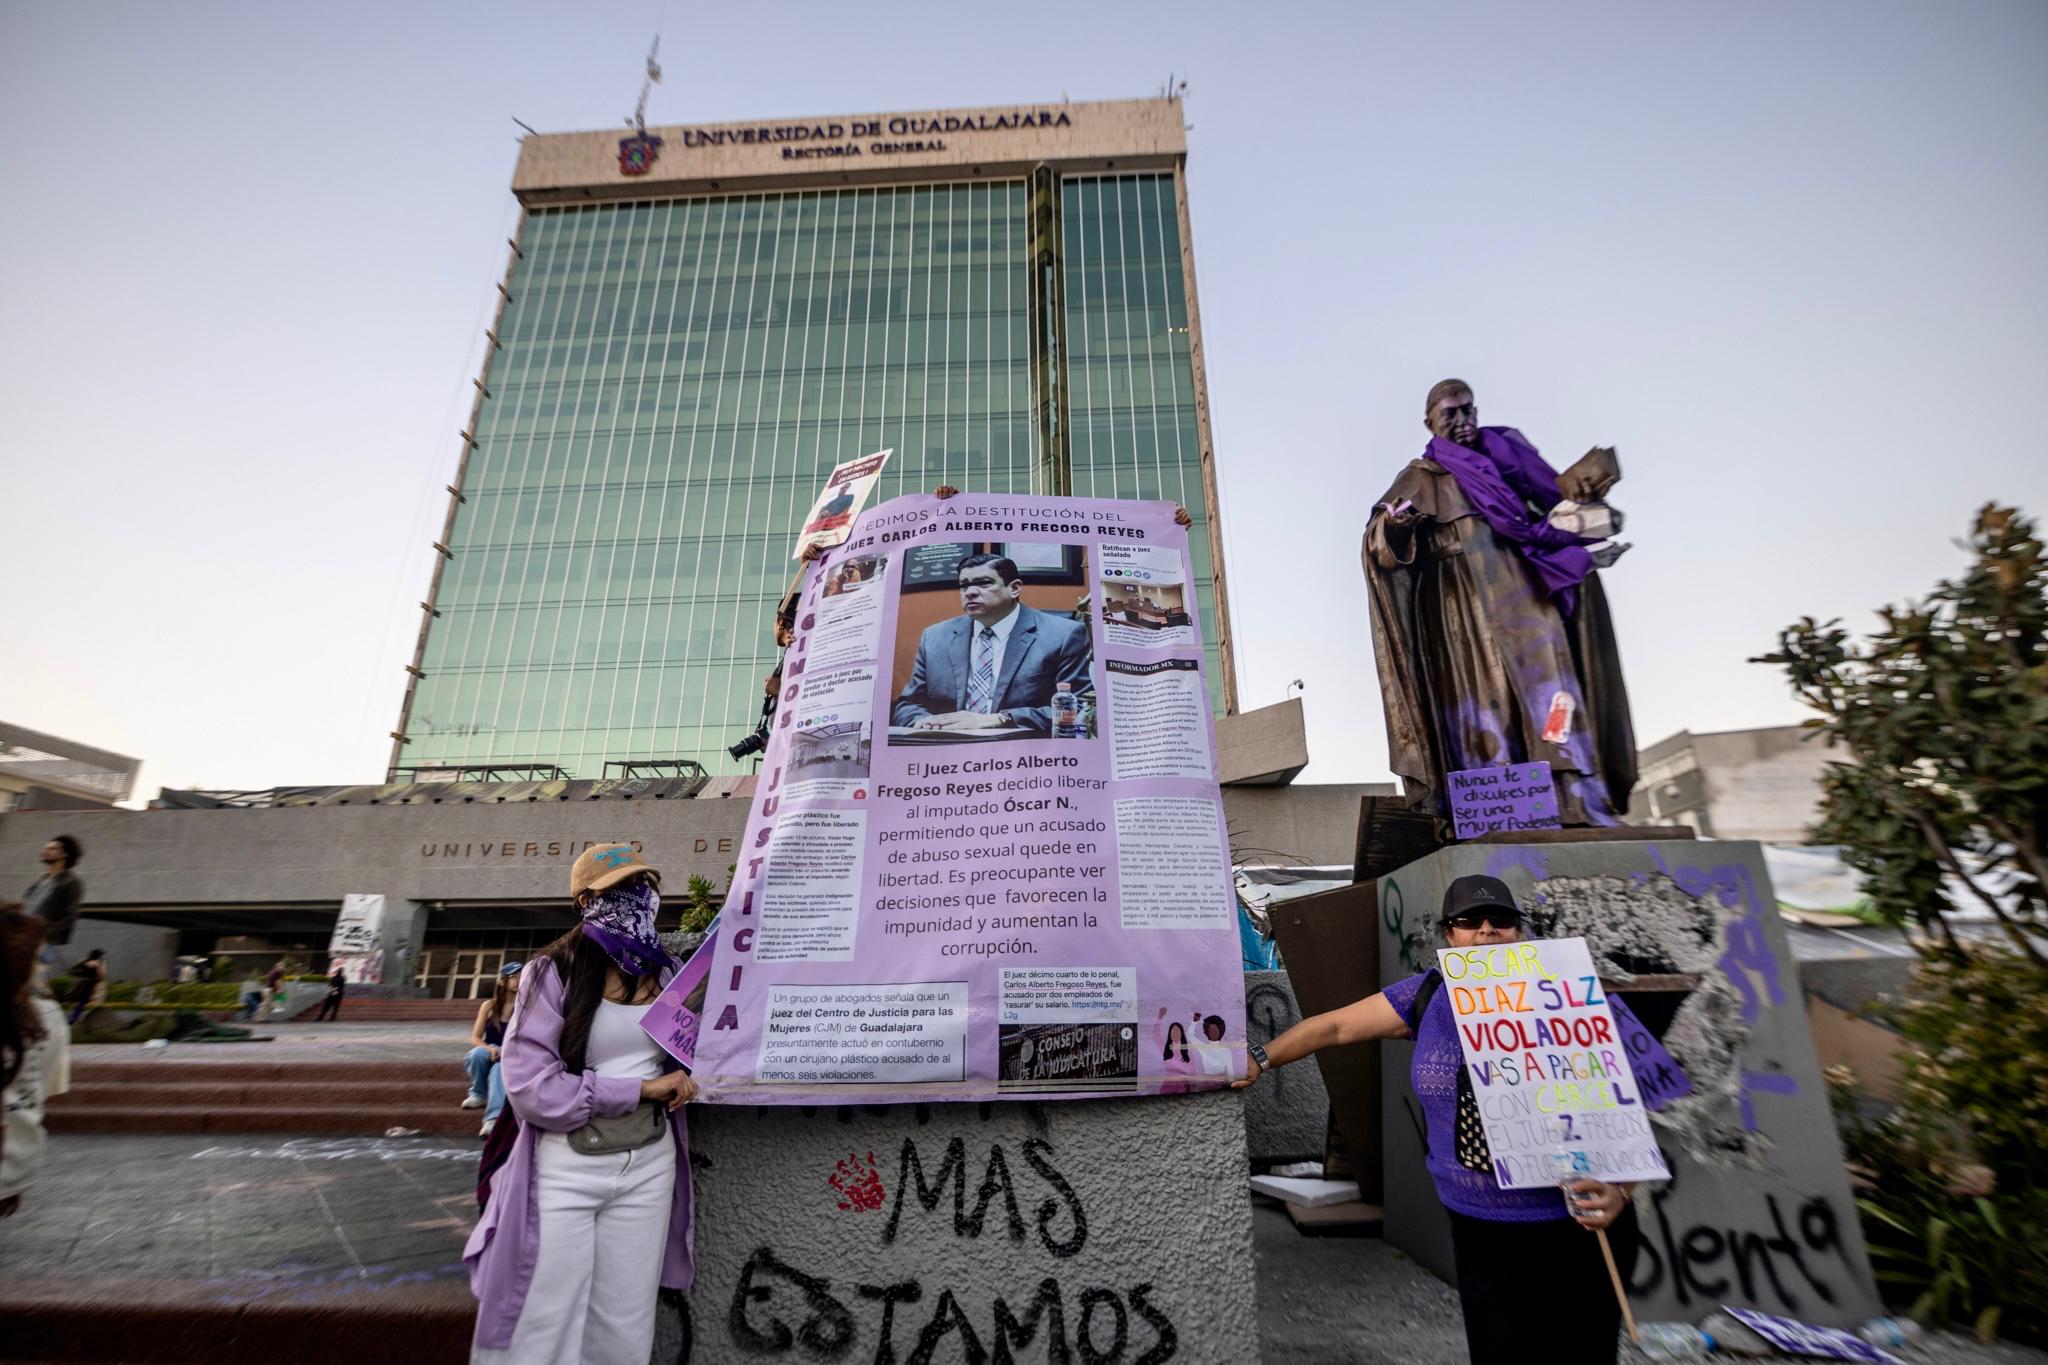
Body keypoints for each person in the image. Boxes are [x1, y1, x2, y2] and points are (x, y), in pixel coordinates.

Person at [1234, 875, 1640, 1364]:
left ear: (1520, 931)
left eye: (1501, 920)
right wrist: (1261, 1055)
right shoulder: (1427, 996)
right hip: (1480, 1229)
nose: (1486, 931)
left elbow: (1636, 1099)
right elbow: (1334, 1026)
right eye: (1469, 921)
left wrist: (1623, 1188)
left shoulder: (1568, 991)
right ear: (1451, 935)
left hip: (1575, 1225)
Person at [1364, 380, 1637, 829]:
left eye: (1467, 410)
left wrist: (1588, 509)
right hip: (1464, 610)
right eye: (1449, 413)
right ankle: (1503, 806)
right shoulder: (1420, 478)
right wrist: (1395, 525)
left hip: (1528, 593)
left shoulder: (1511, 466)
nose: (1461, 420)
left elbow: (1553, 518)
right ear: (1429, 421)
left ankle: (1574, 796)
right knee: (1486, 704)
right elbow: (1378, 543)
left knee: (1556, 696)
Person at [465, 844, 697, 1363]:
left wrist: (687, 1073)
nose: (637, 898)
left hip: (649, 1163)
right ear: (584, 900)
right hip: (565, 1164)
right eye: (617, 890)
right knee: (541, 1313)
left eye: (644, 886)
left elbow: (691, 1050)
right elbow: (530, 1087)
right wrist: (637, 1090)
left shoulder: (669, 971)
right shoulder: (553, 971)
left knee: (625, 1320)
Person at [891, 552, 1096, 734]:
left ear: (1014, 588)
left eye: (984, 583)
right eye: (964, 586)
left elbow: (1079, 707)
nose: (970, 592)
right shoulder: (934, 637)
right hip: (947, 748)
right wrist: (925, 722)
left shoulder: (1063, 634)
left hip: (1023, 755)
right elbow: (908, 704)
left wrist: (999, 719)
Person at [2, 906, 70, 1219]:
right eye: (39, 959)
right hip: (11, 1161)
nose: (42, 969)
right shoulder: (47, 1019)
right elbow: (42, 1090)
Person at [465, 961, 523, 1138]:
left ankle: (492, 1119)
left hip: (513, 1054)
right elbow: (474, 1038)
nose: (517, 981)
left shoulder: (525, 1006)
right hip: (491, 1050)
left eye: (520, 977)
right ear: (501, 981)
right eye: (513, 977)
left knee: (499, 1069)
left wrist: (506, 1050)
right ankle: (479, 1093)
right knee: (476, 1054)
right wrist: (489, 1048)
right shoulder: (489, 1006)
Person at [22, 835, 84, 961]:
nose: (46, 851)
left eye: (53, 849)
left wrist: (44, 934)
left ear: (65, 853)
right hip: (23, 938)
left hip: (43, 942)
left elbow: (69, 917)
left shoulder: (71, 882)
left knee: (34, 977)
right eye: (46, 848)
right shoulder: (41, 881)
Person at [65, 948, 107, 1026]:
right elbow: (101, 977)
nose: (101, 957)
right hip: (89, 986)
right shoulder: (93, 963)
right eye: (100, 955)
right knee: (81, 1002)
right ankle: (72, 1020)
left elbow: (71, 971)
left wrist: (83, 976)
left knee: (76, 1001)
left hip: (86, 985)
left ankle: (72, 1019)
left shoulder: (89, 962)